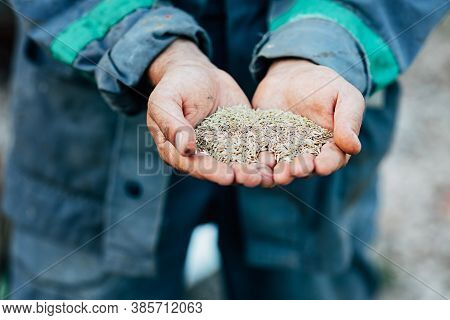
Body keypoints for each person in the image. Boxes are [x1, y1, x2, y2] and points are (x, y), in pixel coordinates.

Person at [3, 0, 447, 299]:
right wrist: (151, 45)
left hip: (314, 117)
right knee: (84, 289)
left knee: (307, 288)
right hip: (94, 121)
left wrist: (322, 43)